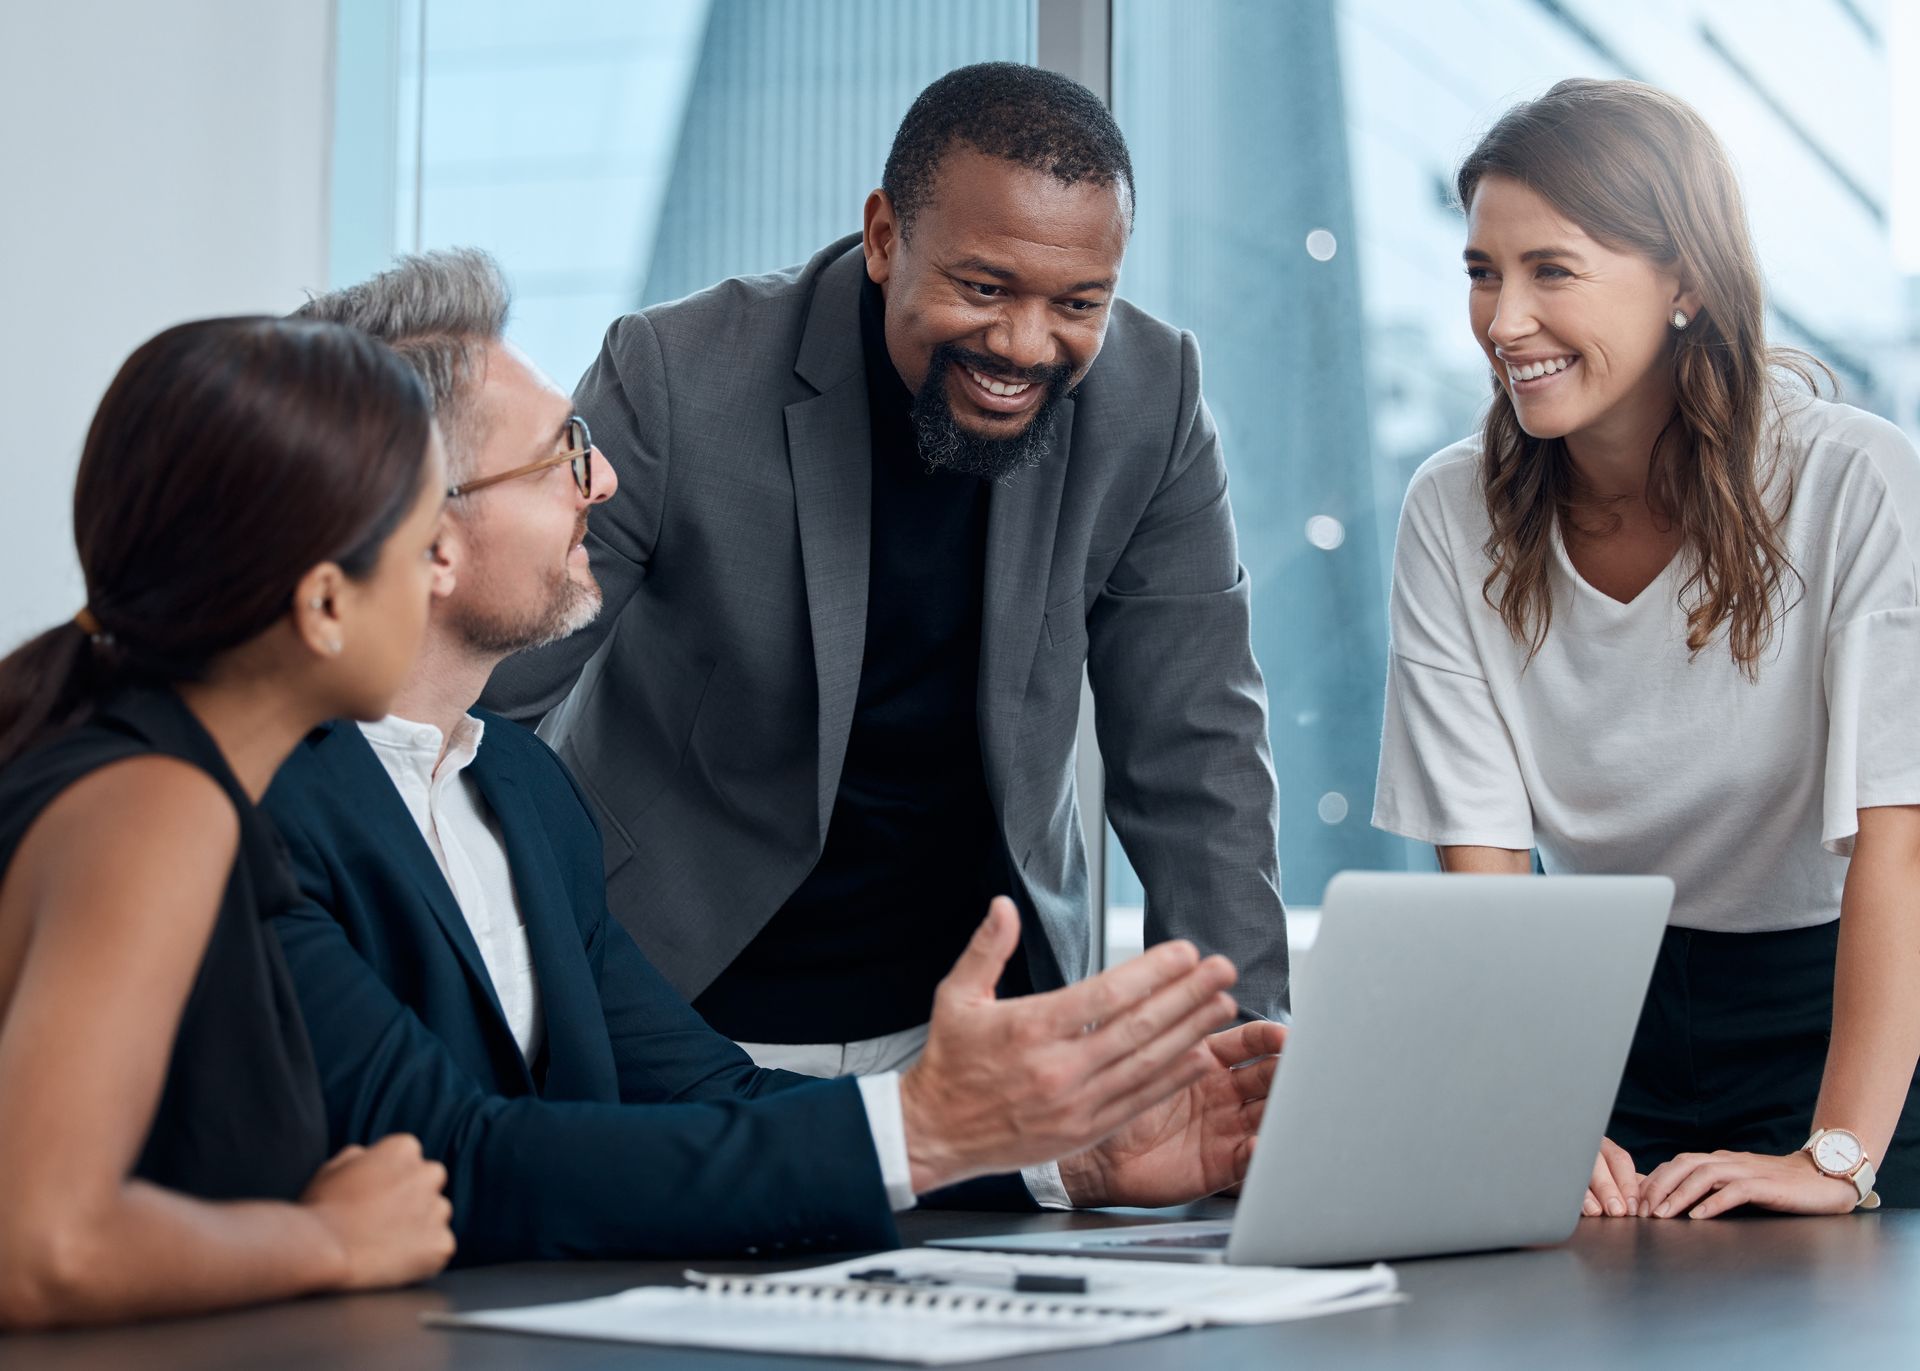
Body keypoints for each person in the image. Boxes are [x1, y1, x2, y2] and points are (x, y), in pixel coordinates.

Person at [267, 250, 1284, 1264]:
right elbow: (464, 1159)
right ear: (428, 540)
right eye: (556, 457)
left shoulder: (524, 798)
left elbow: (714, 1096)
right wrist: (928, 1127)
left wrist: (1065, 1159)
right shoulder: (261, 818)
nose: (605, 479)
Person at [481, 62, 1289, 1074]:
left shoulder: (1152, 399)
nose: (1024, 345)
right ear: (883, 238)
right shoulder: (678, 372)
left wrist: (1245, 1056)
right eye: (984, 288)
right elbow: (489, 693)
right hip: (675, 1011)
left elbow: (1196, 749)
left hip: (976, 1034)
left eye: (1079, 302)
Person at [1373, 78, 1920, 1220]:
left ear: (1688, 282)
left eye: (1551, 271)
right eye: (1482, 272)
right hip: (1596, 1013)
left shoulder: (1857, 481)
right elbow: (1487, 871)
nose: (1502, 321)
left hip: (1847, 1017)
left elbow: (1897, 851)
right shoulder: (1448, 510)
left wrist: (1838, 1154)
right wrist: (1535, 1110)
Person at [0, 317, 456, 1329]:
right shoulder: (156, 812)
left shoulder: (128, 774)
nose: (443, 577)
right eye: (427, 544)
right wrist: (334, 1239)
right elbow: (41, 1247)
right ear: (326, 603)